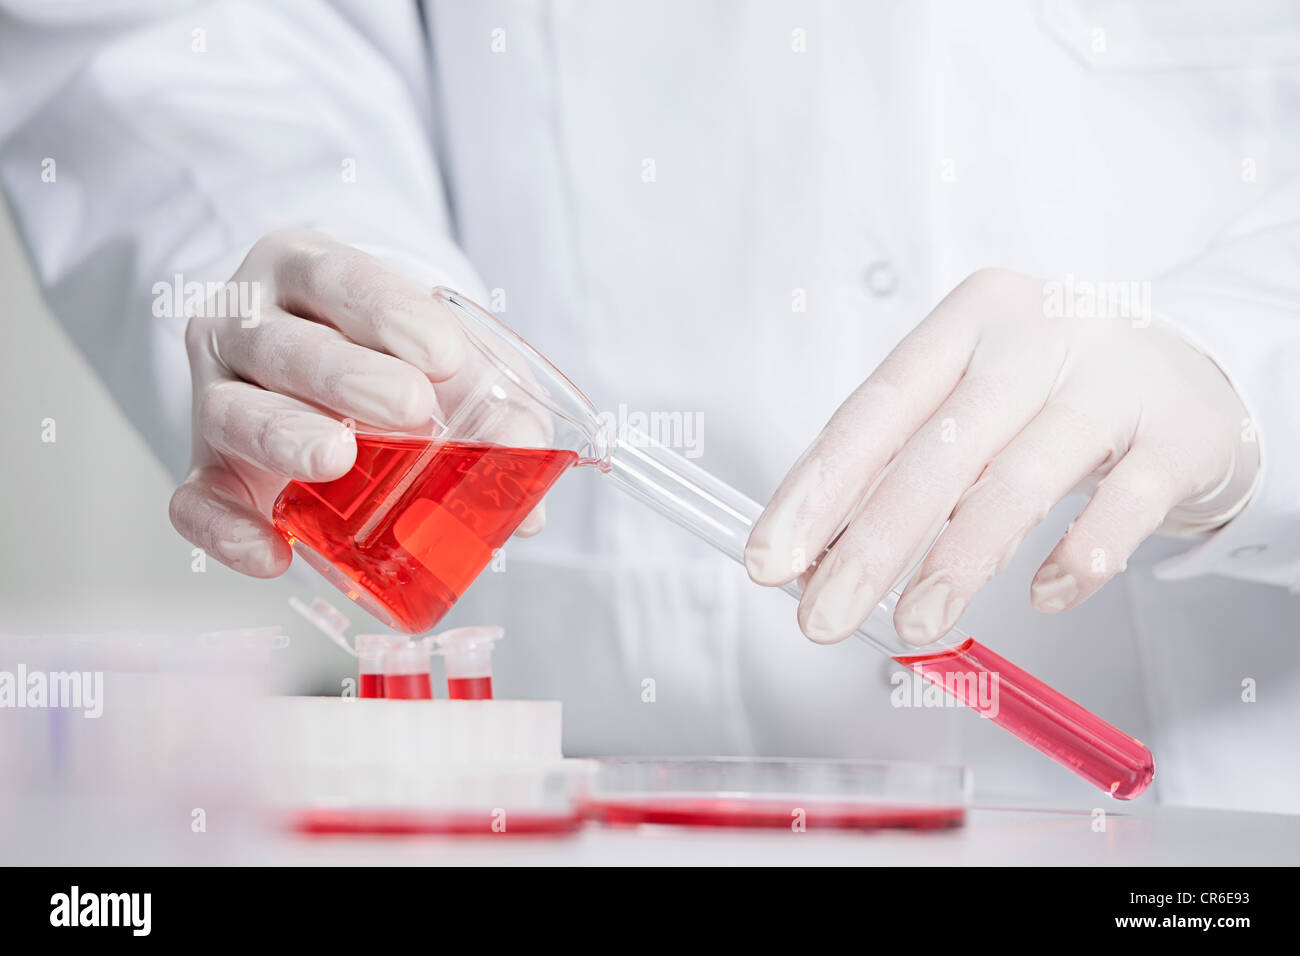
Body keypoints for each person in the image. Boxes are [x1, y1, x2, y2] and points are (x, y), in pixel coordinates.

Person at [2, 0, 1297, 811]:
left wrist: (1247, 368)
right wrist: (327, 287)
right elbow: (162, 34)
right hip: (605, 773)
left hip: (1220, 792)